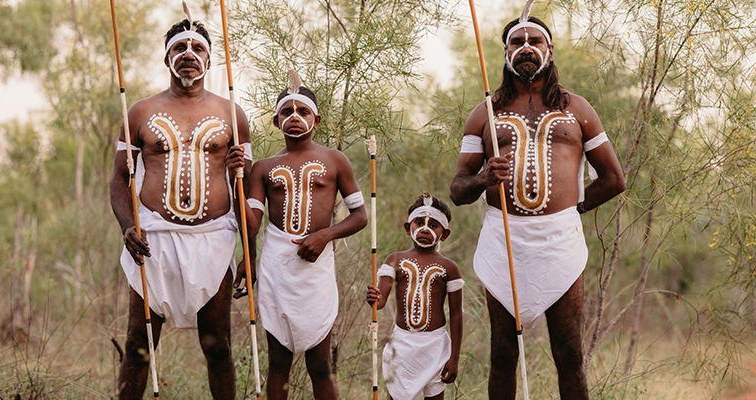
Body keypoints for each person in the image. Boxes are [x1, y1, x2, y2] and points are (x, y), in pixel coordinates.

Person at [449, 15, 626, 400]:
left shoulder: (578, 109)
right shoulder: (485, 114)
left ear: (548, 50)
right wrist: (482, 180)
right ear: (507, 52)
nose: (526, 47)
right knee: (502, 353)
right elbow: (458, 190)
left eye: (535, 41)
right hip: (504, 239)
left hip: (559, 241)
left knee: (568, 353)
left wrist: (572, 210)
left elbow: (614, 179)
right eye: (517, 42)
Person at [109, 16, 251, 399]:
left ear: (210, 60)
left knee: (217, 345)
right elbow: (119, 179)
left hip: (213, 240)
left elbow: (245, 186)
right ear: (166, 58)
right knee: (139, 344)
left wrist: (250, 255)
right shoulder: (138, 112)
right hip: (152, 242)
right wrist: (128, 226)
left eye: (198, 48)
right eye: (179, 48)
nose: (188, 54)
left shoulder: (232, 115)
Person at [234, 71, 367, 399]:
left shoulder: (335, 160)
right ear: (276, 121)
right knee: (278, 362)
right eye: (286, 112)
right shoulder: (263, 168)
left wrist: (325, 237)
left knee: (319, 364)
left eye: (302, 111)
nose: (294, 117)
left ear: (316, 119)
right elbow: (251, 226)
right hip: (278, 267)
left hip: (315, 270)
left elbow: (360, 216)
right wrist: (233, 176)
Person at [366, 193, 464, 400]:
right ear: (407, 227)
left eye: (433, 225)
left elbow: (456, 314)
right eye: (419, 222)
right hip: (402, 345)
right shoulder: (395, 259)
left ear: (444, 234)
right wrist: (374, 297)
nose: (425, 229)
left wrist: (454, 357)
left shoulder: (449, 268)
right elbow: (381, 301)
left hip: (435, 346)